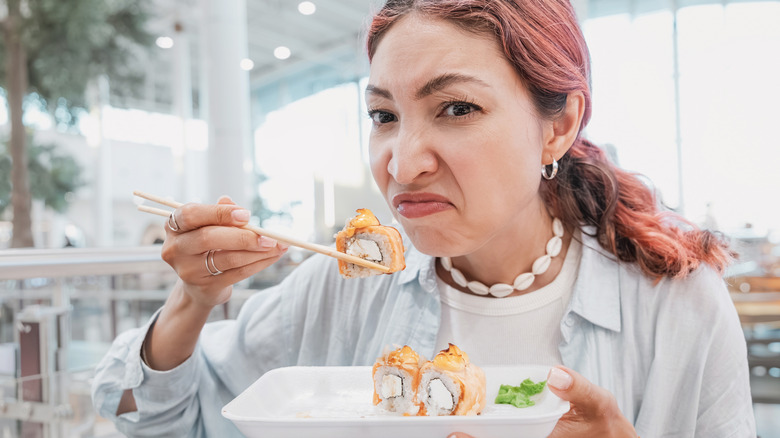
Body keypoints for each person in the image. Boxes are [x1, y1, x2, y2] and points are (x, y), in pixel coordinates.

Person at [91, 0, 755, 436]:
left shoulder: (677, 309)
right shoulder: (343, 285)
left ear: (559, 126)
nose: (402, 165)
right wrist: (192, 301)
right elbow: (157, 417)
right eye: (383, 115)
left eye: (457, 108)